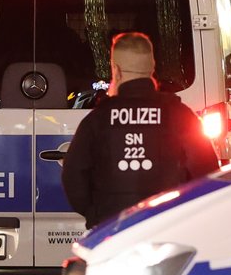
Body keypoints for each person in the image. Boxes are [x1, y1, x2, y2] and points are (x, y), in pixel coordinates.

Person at [60, 32, 221, 229]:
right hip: (166, 229)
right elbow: (207, 170)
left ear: (116, 70)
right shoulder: (180, 115)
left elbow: (73, 176)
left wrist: (97, 214)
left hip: (112, 231)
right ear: (152, 67)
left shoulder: (98, 119)